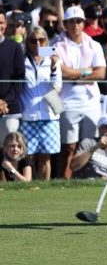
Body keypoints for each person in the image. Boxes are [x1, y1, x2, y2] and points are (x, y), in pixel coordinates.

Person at [55, 6, 106, 178]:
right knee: (68, 146)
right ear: (65, 24)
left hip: (90, 102)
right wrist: (85, 72)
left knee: (89, 144)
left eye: (79, 21)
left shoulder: (95, 44)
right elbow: (62, 72)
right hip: (67, 101)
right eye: (72, 22)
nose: (75, 25)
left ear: (84, 23)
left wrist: (74, 74)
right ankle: (65, 181)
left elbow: (101, 73)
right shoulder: (56, 44)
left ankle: (86, 178)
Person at [19, 27, 62, 180]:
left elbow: (57, 85)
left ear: (46, 41)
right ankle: (29, 188)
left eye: (41, 40)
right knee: (28, 157)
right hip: (27, 115)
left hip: (48, 115)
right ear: (27, 42)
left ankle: (45, 189)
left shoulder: (52, 56)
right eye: (33, 40)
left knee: (45, 157)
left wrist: (53, 67)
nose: (37, 43)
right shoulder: (22, 59)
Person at [0, 8, 25, 147]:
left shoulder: (15, 48)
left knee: (9, 154)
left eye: (2, 22)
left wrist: (4, 102)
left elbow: (19, 81)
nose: (0, 26)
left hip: (10, 110)